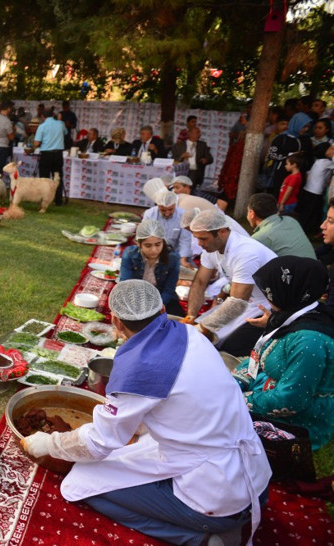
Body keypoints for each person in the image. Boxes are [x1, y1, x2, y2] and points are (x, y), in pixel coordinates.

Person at [22, 279, 270, 546]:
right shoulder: (191, 335)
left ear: (116, 322)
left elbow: (97, 444)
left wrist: (49, 443)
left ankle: (198, 537)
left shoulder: (139, 369)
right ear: (163, 310)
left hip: (217, 498)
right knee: (136, 445)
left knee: (79, 482)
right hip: (256, 478)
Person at [229, 257, 334, 451]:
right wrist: (231, 384)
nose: (267, 296)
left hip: (298, 423)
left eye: (270, 290)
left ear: (290, 289)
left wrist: (237, 401)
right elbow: (257, 360)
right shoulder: (293, 315)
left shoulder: (309, 340)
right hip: (263, 395)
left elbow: (290, 400)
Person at [185, 209, 277, 356]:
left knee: (227, 347)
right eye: (197, 238)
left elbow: (237, 302)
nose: (199, 244)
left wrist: (203, 328)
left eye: (203, 239)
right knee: (199, 334)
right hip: (246, 301)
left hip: (268, 305)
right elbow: (200, 282)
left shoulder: (245, 252)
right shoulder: (211, 248)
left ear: (222, 232)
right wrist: (191, 316)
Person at [119, 220, 182, 316]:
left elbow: (169, 289)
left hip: (160, 298)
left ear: (163, 242)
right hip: (135, 297)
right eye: (148, 245)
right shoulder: (130, 254)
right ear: (139, 244)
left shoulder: (173, 258)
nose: (154, 250)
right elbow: (126, 284)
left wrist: (156, 307)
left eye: (158, 244)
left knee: (176, 322)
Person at [246, 193, 315, 259]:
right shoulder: (291, 221)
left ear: (252, 213)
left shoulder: (259, 238)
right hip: (316, 267)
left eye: (247, 211)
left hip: (294, 270)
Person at [296, 119, 333, 233]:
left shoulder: (318, 162)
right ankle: (306, 230)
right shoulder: (327, 162)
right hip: (315, 192)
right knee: (311, 212)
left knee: (305, 211)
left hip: (308, 189)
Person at [142, 190, 194, 270]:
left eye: (170, 209)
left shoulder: (183, 215)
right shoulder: (150, 214)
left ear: (175, 205)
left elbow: (185, 239)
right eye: (163, 210)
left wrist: (183, 260)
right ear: (158, 206)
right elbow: (144, 236)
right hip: (154, 251)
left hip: (176, 253)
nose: (167, 213)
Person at [33, 109, 67, 205]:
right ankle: (58, 200)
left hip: (46, 154)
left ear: (43, 116)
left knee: (44, 178)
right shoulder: (60, 124)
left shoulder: (42, 126)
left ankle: (44, 199)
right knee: (57, 177)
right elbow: (65, 132)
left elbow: (36, 143)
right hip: (58, 154)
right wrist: (59, 119)